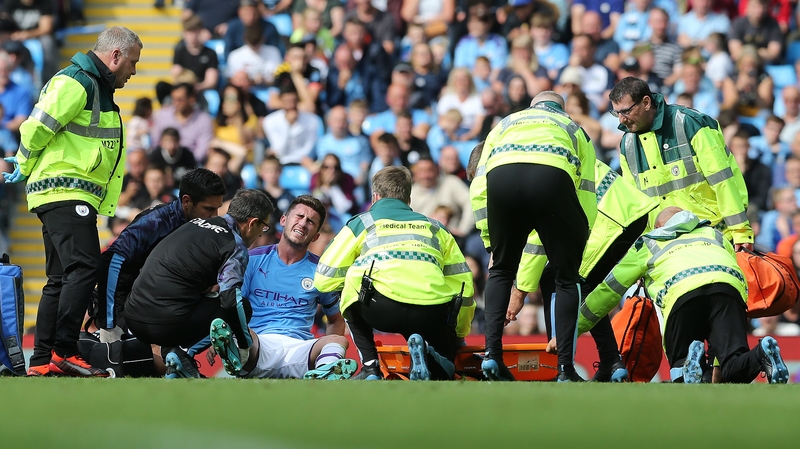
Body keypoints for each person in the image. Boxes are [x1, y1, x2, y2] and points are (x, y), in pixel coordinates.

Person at [2, 26, 142, 377]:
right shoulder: (77, 82)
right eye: (133, 62)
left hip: (63, 193)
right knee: (83, 269)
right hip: (66, 191)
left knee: (61, 277)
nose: (134, 71)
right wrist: (22, 160)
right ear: (115, 56)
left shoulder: (94, 86)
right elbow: (37, 127)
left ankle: (42, 360)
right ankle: (64, 350)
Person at [578, 207, 789, 384]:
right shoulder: (714, 234)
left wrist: (573, 329)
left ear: (659, 227)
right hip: (727, 292)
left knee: (680, 370)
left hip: (682, 295)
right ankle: (761, 353)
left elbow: (608, 291)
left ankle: (689, 360)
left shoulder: (649, 243)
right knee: (733, 367)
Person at [469, 91, 597, 382]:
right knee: (566, 278)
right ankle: (565, 368)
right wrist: (579, 240)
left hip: (502, 180)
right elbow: (586, 188)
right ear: (561, 110)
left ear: (532, 107)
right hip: (551, 178)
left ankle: (492, 355)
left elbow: (479, 185)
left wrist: (491, 242)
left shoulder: (504, 124)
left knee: (501, 270)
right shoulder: (573, 129)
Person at [315, 166, 475, 380]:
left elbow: (324, 279)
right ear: (408, 198)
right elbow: (464, 285)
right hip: (431, 312)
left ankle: (371, 368)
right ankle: (435, 357)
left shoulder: (362, 223)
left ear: (375, 197)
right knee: (446, 362)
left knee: (350, 283)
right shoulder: (436, 228)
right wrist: (460, 332)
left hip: (381, 310)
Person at [505, 159, 658, 382]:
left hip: (611, 217)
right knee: (577, 284)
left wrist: (520, 292)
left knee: (571, 282)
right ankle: (608, 362)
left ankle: (566, 364)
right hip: (622, 212)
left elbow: (538, 240)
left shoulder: (526, 177)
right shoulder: (537, 157)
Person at [124, 189, 274, 378]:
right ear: (253, 223)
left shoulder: (194, 223)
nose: (261, 234)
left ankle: (175, 365)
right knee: (241, 306)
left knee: (203, 295)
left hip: (132, 315)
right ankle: (185, 352)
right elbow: (230, 300)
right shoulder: (234, 245)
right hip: (162, 322)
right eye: (264, 228)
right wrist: (245, 346)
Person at [212, 195, 357, 379]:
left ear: (316, 236)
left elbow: (336, 319)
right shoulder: (251, 259)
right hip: (258, 344)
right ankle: (237, 357)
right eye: (299, 216)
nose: (303, 223)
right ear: (283, 220)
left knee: (338, 340)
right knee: (243, 334)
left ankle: (325, 373)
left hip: (300, 350)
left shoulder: (322, 271)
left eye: (311, 221)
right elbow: (231, 302)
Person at [610, 77, 755, 250]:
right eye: (616, 113)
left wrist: (740, 231)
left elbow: (723, 181)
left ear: (646, 102)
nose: (621, 120)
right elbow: (635, 206)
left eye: (625, 111)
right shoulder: (627, 145)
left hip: (713, 236)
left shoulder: (690, 124)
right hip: (666, 245)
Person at [94, 168, 226, 341]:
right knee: (137, 356)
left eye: (217, 209)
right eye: (208, 209)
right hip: (128, 302)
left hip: (165, 302)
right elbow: (112, 260)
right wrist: (109, 323)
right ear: (186, 201)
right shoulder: (155, 222)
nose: (214, 216)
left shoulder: (205, 227)